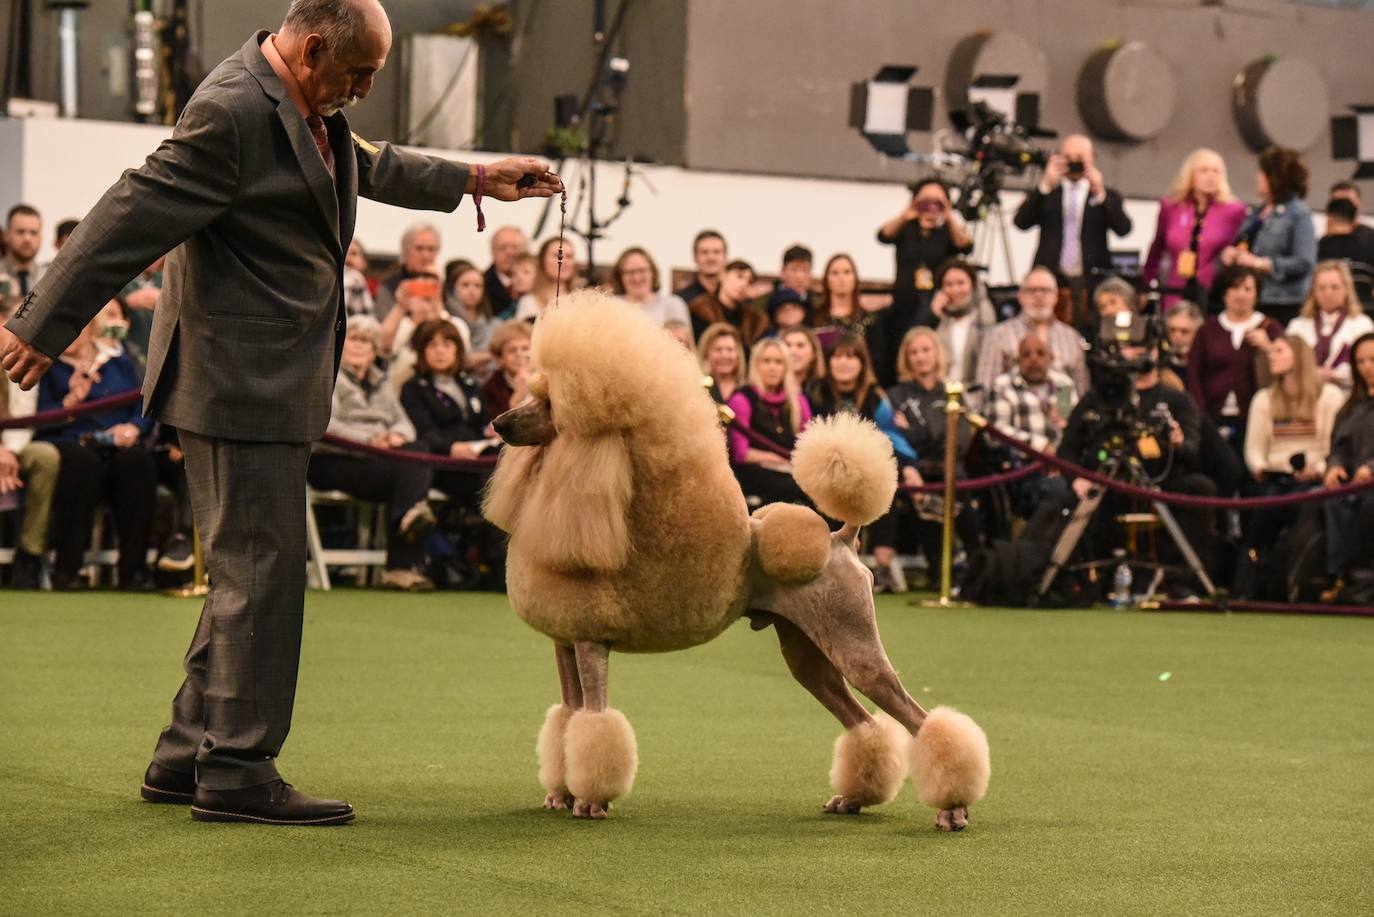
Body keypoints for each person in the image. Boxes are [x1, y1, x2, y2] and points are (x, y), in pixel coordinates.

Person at [0, 0, 559, 826]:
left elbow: (371, 162)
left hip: (270, 378)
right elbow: (127, 213)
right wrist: (40, 324)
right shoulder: (231, 112)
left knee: (246, 572)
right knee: (261, 573)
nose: (365, 90)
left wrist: (478, 179)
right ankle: (238, 770)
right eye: (358, 73)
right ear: (310, 45)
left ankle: (187, 753)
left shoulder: (305, 102)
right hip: (235, 383)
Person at [1058, 339, 1216, 598]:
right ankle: (1080, 580)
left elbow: (1192, 450)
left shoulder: (1176, 400)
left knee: (1200, 487)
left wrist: (1176, 442)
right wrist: (1077, 479)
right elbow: (1067, 450)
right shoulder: (1100, 398)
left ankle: (1182, 580)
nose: (1134, 354)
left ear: (1155, 353)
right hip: (1107, 483)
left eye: (1141, 347)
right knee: (1065, 497)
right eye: (1128, 347)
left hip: (1160, 484)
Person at [309, 317, 436, 591]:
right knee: (409, 473)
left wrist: (396, 436)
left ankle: (407, 519)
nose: (358, 346)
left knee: (417, 450)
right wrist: (371, 439)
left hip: (379, 459)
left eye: (365, 341)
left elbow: (404, 423)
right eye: (353, 339)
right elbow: (324, 424)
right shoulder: (327, 376)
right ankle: (401, 564)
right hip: (333, 458)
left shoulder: (382, 382)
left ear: (375, 349)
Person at [35, 308, 157, 592]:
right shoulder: (47, 368)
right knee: (82, 464)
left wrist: (133, 429)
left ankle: (134, 572)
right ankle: (67, 570)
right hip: (70, 442)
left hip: (117, 443)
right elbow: (36, 420)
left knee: (138, 462)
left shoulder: (118, 362)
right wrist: (70, 402)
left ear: (90, 329)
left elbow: (143, 404)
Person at [808, 333, 920, 591]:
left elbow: (890, 436)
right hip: (823, 469)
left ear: (862, 363)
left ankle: (883, 568)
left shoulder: (875, 397)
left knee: (883, 493)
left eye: (851, 356)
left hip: (865, 471)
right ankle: (829, 566)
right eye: (837, 357)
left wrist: (910, 464)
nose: (844, 363)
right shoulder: (815, 392)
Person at [1235, 335, 1343, 596]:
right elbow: (1254, 448)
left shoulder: (1329, 396)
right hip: (1274, 478)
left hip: (1313, 478)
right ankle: (1249, 586)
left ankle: (1293, 582)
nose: (1271, 356)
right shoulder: (1264, 398)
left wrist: (1317, 468)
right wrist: (1260, 467)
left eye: (1279, 351)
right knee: (1262, 515)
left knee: (1302, 509)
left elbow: (1332, 444)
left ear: (1298, 356)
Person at [1013, 134, 1132, 328]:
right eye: (1068, 157)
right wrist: (1044, 185)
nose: (1074, 162)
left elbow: (1123, 229)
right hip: (1052, 279)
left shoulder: (1107, 195)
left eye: (1080, 157)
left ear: (1092, 158)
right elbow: (1020, 222)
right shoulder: (1049, 194)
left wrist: (1100, 193)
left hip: (1092, 282)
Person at [1187, 265, 1283, 452]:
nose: (1241, 295)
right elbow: (1193, 373)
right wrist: (1201, 413)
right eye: (1235, 288)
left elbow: (1287, 365)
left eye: (1247, 289)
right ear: (1224, 292)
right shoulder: (1208, 329)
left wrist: (1268, 347)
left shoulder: (1270, 327)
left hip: (1256, 418)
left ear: (1256, 294)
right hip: (1212, 417)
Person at [399, 320, 495, 508]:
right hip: (442, 462)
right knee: (490, 480)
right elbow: (422, 432)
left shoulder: (469, 384)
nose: (440, 351)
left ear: (457, 350)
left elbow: (482, 421)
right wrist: (451, 448)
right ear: (422, 351)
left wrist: (491, 430)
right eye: (432, 345)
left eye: (447, 344)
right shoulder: (414, 387)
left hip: (476, 456)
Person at [1221, 145, 1316, 326]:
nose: (1257, 177)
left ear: (1275, 177)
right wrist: (1232, 255)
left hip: (1283, 302)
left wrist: (1259, 263)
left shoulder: (1298, 214)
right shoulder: (1258, 212)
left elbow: (1304, 261)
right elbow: (1244, 244)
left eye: (1262, 173)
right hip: (1253, 299)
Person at [1143, 148, 1248, 309]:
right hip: (1175, 289)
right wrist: (1146, 284)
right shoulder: (1171, 207)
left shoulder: (1235, 211)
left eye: (1216, 171)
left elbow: (1240, 248)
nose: (1211, 176)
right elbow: (1157, 248)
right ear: (1190, 175)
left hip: (1213, 292)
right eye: (1204, 170)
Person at [0, 312, 60, 590]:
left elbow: (34, 411)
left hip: (20, 443)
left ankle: (30, 554)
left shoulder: (30, 354)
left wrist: (8, 451)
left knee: (46, 456)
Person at [987, 333, 1077, 517]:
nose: (1033, 359)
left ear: (1051, 358)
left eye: (1040, 353)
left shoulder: (1064, 385)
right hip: (1024, 466)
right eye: (1026, 354)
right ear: (1017, 360)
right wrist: (1040, 446)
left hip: (1064, 462)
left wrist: (1060, 449)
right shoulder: (1003, 386)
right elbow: (996, 433)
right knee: (1057, 490)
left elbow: (1072, 426)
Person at [976, 266, 1091, 398]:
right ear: (1020, 296)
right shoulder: (998, 335)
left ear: (1056, 297)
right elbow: (985, 389)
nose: (1038, 295)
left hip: (1062, 413)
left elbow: (1081, 390)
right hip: (1013, 412)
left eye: (1045, 290)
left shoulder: (1072, 337)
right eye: (1031, 290)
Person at [726, 337, 812, 506]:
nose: (772, 367)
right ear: (755, 365)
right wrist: (776, 458)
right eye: (766, 361)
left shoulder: (797, 400)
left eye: (778, 362)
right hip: (757, 473)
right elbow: (741, 453)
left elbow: (809, 441)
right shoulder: (742, 399)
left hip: (792, 470)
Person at [1321, 332, 1374, 599]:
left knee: (1368, 505)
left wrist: (1371, 468)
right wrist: (1334, 466)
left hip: (1370, 487)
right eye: (1361, 361)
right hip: (1350, 485)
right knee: (1325, 500)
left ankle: (1361, 578)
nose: (1367, 367)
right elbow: (1337, 446)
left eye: (1373, 360)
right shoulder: (1351, 407)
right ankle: (1336, 576)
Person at [1284, 260, 1373, 390]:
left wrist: (1335, 375)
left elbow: (1369, 366)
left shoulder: (1362, 324)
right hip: (1305, 394)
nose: (1328, 293)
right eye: (1322, 288)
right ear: (1313, 291)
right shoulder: (1297, 326)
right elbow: (1288, 364)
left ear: (1346, 289)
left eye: (1334, 287)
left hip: (1349, 394)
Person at [380, 275, 471, 390]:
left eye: (430, 289)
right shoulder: (401, 324)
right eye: (419, 290)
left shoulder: (455, 323)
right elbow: (382, 346)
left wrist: (437, 309)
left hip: (446, 388)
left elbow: (462, 352)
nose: (425, 296)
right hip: (401, 387)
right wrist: (401, 306)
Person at [930, 259, 997, 399]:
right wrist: (933, 315)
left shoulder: (985, 315)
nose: (955, 290)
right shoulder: (935, 319)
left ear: (973, 285)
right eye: (948, 284)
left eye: (961, 283)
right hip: (938, 394)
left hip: (974, 394)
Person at [688, 260, 769, 345]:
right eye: (739, 276)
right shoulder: (701, 310)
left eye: (749, 281)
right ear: (723, 275)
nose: (744, 283)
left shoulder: (754, 321)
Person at [374, 221, 442, 321]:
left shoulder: (442, 281)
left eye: (431, 249)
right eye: (419, 248)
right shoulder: (390, 284)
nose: (425, 255)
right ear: (405, 251)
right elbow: (382, 322)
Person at [611, 246, 691, 329]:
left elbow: (683, 341)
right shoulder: (612, 307)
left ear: (652, 272)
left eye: (642, 270)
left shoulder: (673, 304)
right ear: (620, 276)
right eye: (630, 272)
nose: (636, 278)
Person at [449, 264, 499, 375]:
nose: (472, 290)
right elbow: (456, 360)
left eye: (477, 286)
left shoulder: (495, 325)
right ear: (453, 288)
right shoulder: (447, 322)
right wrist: (488, 356)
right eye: (465, 285)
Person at [1316, 195, 1374, 290]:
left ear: (1330, 218)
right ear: (1353, 220)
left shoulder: (1323, 245)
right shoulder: (1370, 241)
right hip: (1365, 302)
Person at [514, 236, 577, 321]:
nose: (563, 261)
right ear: (542, 260)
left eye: (569, 256)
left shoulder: (580, 300)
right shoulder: (529, 302)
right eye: (558, 255)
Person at [480, 319, 531, 417]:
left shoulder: (546, 380)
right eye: (512, 350)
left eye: (525, 348)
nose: (520, 354)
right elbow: (499, 427)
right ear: (500, 359)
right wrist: (519, 395)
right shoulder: (490, 389)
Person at [698, 322, 747, 406]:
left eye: (729, 349)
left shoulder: (748, 392)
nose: (724, 355)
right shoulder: (699, 389)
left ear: (738, 354)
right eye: (718, 349)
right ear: (706, 354)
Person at [0, 205, 45, 298]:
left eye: (33, 232)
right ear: (6, 235)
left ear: (40, 238)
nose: (27, 239)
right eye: (20, 232)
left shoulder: (48, 280)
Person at [484, 225, 528, 318]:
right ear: (492, 252)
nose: (510, 253)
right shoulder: (482, 284)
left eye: (515, 247)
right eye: (502, 248)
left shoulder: (538, 283)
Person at [674, 229, 728, 305]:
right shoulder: (680, 300)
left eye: (717, 252)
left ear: (726, 257)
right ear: (695, 257)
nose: (711, 258)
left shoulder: (738, 298)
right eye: (704, 252)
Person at [1162, 299, 1204, 380]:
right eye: (1172, 330)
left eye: (1184, 331)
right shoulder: (1160, 366)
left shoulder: (1207, 365)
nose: (1177, 336)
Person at [781, 326, 825, 390]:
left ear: (814, 353)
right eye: (787, 345)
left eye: (800, 345)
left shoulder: (824, 390)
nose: (793, 351)